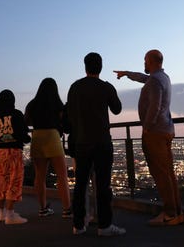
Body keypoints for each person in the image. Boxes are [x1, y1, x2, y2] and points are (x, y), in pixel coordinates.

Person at [115, 49, 183, 226]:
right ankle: (177, 212)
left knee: (160, 174)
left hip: (156, 132)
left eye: (145, 61)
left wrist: (147, 126)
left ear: (151, 62)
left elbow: (155, 105)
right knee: (168, 173)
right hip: (166, 129)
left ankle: (169, 214)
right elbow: (142, 77)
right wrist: (126, 74)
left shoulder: (155, 80)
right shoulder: (162, 77)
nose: (143, 63)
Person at [66, 52, 125, 236]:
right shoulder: (105, 87)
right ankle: (105, 226)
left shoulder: (74, 87)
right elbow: (117, 109)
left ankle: (78, 225)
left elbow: (69, 114)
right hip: (102, 142)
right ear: (101, 67)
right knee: (103, 185)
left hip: (81, 142)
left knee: (80, 184)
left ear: (85, 66)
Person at [24, 78, 72, 218]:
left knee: (39, 176)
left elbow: (26, 121)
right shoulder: (57, 104)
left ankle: (43, 208)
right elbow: (64, 121)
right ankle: (66, 209)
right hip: (53, 136)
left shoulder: (32, 104)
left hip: (37, 136)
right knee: (62, 176)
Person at [0, 89, 31, 225]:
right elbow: (23, 134)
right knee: (14, 181)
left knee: (1, 182)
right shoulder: (16, 114)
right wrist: (27, 138)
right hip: (13, 152)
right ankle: (11, 214)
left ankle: (2, 213)